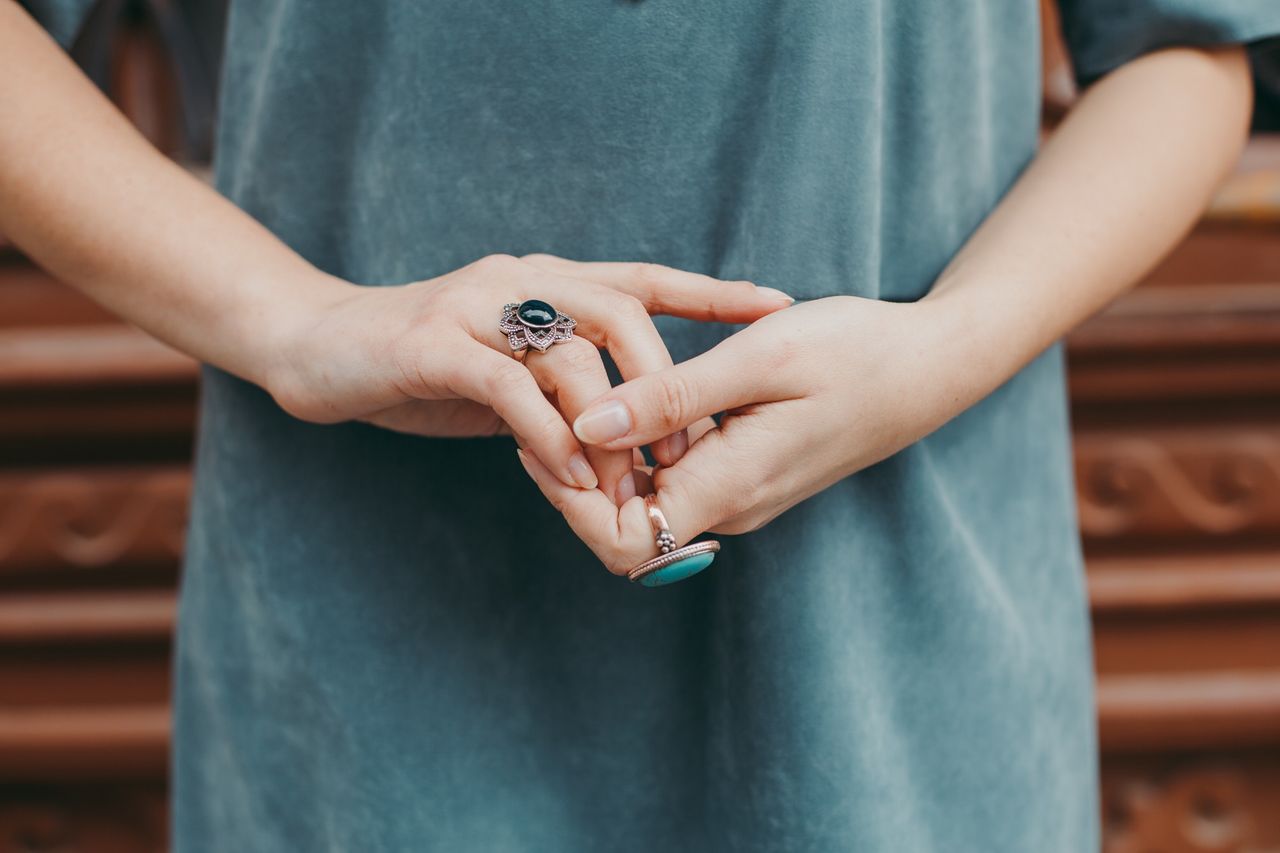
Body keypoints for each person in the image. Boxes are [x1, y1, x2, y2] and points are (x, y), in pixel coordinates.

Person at [4, 1, 1277, 849]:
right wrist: (299, 323)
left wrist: (956, 337)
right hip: (366, 653)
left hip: (896, 651)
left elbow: (1186, 45)